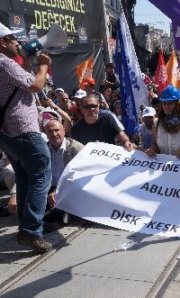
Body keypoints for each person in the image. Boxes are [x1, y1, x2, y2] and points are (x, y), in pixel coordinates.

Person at [0, 22, 53, 253]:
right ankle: (31, 231)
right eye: (12, 38)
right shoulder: (4, 63)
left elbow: (21, 84)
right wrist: (42, 67)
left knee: (25, 178)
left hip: (7, 133)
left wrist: (29, 62)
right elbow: (35, 85)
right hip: (23, 129)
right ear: (2, 42)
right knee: (42, 172)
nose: (17, 42)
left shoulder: (8, 65)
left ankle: (27, 227)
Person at [43, 119, 84, 227]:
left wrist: (59, 190)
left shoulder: (76, 148)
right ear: (45, 133)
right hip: (50, 188)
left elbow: (81, 175)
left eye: (57, 130)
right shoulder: (43, 149)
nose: (54, 134)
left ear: (64, 131)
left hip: (70, 187)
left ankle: (60, 214)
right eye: (50, 131)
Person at [146, 85, 180, 159]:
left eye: (170, 103)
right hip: (163, 167)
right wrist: (152, 149)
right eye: (164, 103)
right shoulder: (156, 123)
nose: (166, 107)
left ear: (177, 104)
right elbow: (155, 144)